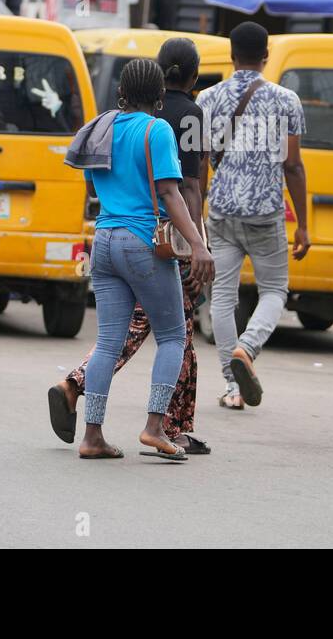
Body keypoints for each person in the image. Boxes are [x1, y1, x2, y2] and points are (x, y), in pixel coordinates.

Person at [50, 38, 212, 454]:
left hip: (103, 242)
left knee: (107, 342)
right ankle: (155, 427)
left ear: (121, 92)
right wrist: (198, 245)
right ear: (159, 97)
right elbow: (172, 194)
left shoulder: (102, 125)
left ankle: (92, 437)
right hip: (142, 241)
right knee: (174, 334)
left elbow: (92, 181)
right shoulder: (156, 129)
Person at [196, 21, 309, 410]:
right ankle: (248, 348)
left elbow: (199, 164)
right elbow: (293, 166)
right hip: (265, 212)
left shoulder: (207, 99)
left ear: (230, 55)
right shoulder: (287, 101)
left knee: (222, 299)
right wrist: (305, 226)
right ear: (266, 57)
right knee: (275, 289)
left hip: (222, 212)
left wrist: (197, 220)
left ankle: (232, 385)